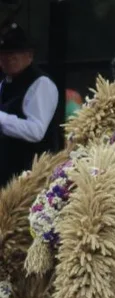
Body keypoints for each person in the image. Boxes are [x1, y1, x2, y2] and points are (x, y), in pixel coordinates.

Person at [0, 24, 61, 186]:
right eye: (4, 54)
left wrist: (3, 119)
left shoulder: (41, 83)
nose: (7, 59)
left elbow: (36, 131)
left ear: (29, 55)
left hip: (31, 177)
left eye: (14, 54)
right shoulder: (4, 83)